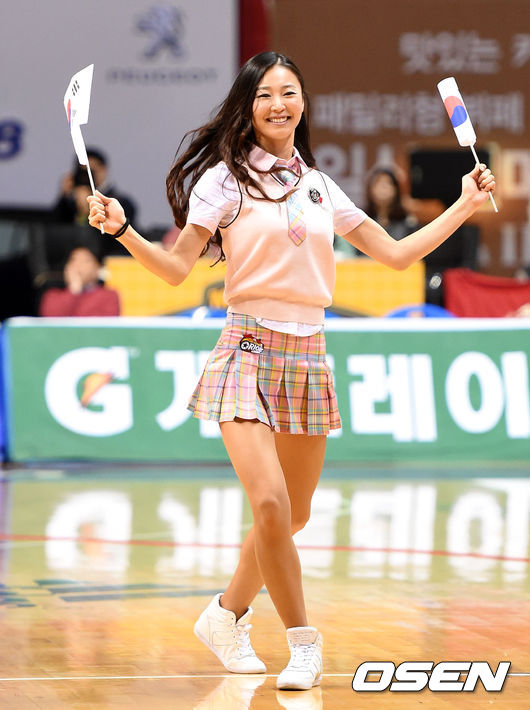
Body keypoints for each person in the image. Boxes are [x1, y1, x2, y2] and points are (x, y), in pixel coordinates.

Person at [87, 52, 495, 691]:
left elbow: (394, 255)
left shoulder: (319, 186)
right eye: (265, 95)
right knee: (271, 504)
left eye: (289, 93)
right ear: (248, 108)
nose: (278, 104)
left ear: (303, 104)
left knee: (293, 515)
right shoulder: (223, 182)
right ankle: (304, 642)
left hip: (308, 355)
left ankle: (225, 615)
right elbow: (175, 269)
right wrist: (124, 232)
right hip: (245, 350)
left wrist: (465, 205)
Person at [39, 246, 120, 316]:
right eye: (73, 260)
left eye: (85, 261)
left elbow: (104, 323)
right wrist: (73, 290)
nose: (78, 265)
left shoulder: (109, 296)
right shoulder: (52, 296)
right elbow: (51, 321)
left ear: (98, 268)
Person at [365, 167, 418, 241]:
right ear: (370, 189)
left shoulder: (408, 222)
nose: (383, 187)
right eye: (378, 182)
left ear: (396, 190)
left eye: (388, 183)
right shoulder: (364, 220)